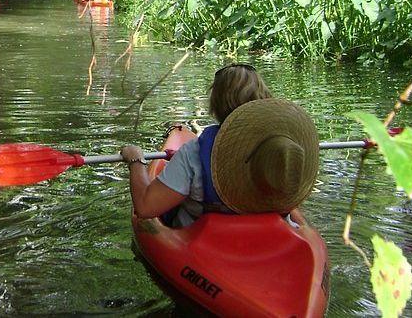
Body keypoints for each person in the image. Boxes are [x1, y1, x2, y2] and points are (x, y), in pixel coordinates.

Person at [121, 64, 320, 228]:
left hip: (209, 247)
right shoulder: (282, 147)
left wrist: (136, 160)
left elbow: (145, 208)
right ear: (264, 97)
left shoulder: (195, 153)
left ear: (216, 103)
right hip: (277, 238)